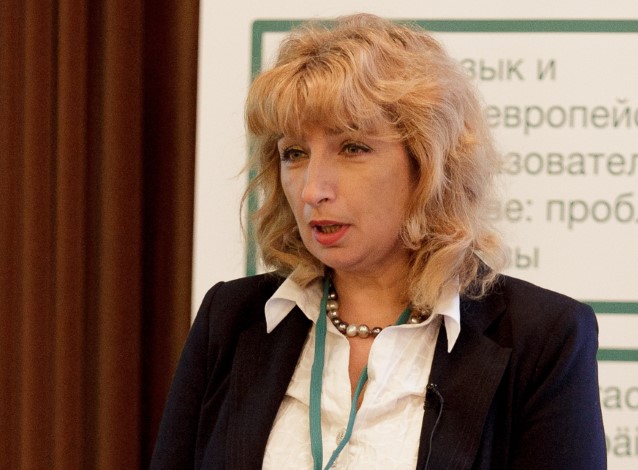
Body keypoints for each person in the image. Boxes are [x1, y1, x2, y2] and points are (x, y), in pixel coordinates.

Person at [151, 13, 606, 470]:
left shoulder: (542, 338)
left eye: (352, 148)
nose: (312, 190)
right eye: (295, 153)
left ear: (428, 164)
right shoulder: (231, 320)